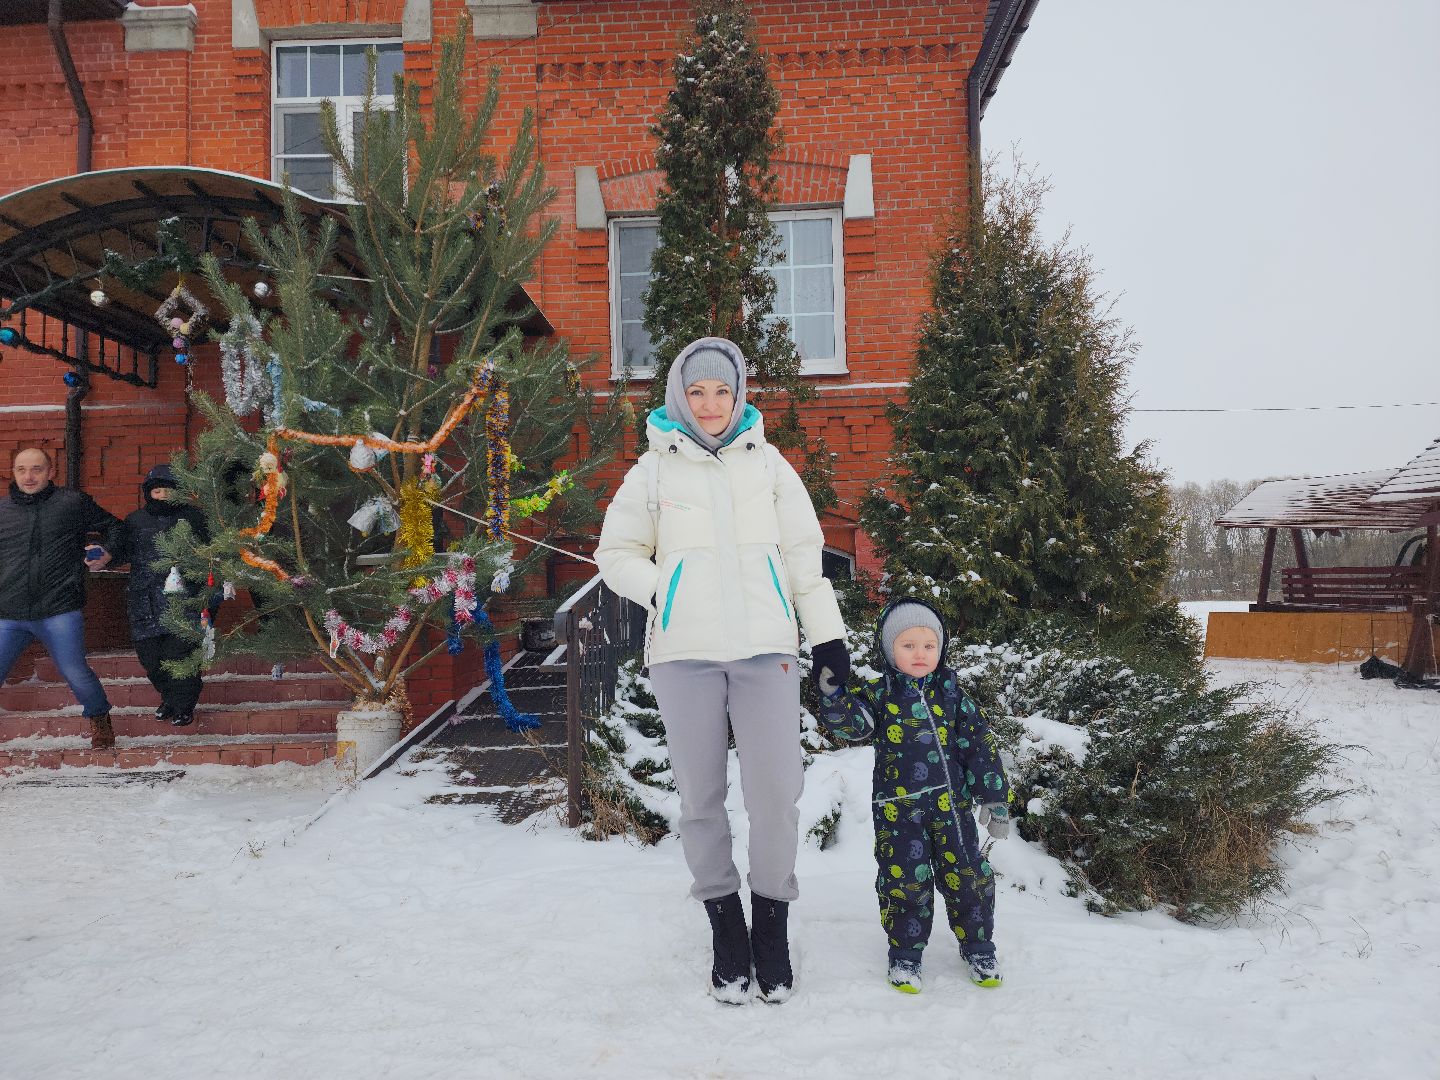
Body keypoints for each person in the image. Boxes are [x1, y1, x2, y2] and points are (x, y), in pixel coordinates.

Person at [595, 337, 850, 1004]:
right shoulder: (652, 472)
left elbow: (803, 555)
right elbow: (614, 553)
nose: (711, 404)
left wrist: (828, 641)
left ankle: (771, 924)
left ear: (739, 396)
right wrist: (666, 589)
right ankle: (725, 927)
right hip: (685, 657)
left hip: (767, 651)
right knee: (702, 800)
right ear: (681, 395)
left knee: (775, 797)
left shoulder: (768, 466)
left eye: (723, 391)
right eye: (698, 392)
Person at [814, 598, 1012, 993]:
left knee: (968, 875)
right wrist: (834, 696)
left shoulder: (954, 696)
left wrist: (993, 796)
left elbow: (979, 746)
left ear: (941, 648)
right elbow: (854, 726)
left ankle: (978, 945)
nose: (920, 654)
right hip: (897, 811)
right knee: (903, 880)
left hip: (952, 808)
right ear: (890, 650)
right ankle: (905, 953)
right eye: (908, 645)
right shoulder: (880, 694)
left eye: (929, 645)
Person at [0, 447, 123, 749]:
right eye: (22, 469)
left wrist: (108, 552)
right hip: (10, 610)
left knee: (74, 670)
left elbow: (116, 528)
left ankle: (100, 720)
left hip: (59, 608)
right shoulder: (2, 512)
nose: (29, 476)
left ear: (51, 472)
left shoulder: (72, 504)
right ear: (13, 473)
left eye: (37, 469)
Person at [121, 464, 211, 727]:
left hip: (183, 602)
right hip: (144, 603)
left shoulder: (194, 518)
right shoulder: (134, 521)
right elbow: (120, 550)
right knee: (151, 659)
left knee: (179, 655)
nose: (161, 496)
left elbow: (212, 553)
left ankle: (183, 706)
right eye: (156, 491)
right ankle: (170, 698)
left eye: (167, 491)